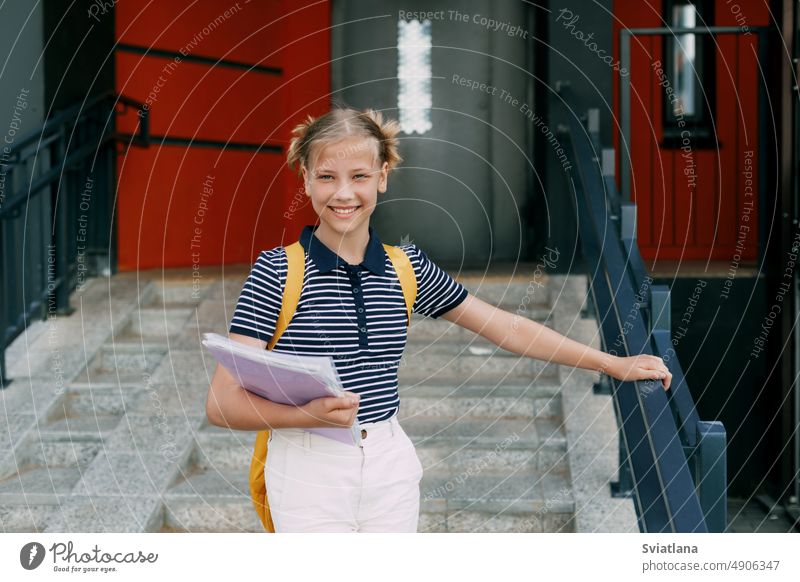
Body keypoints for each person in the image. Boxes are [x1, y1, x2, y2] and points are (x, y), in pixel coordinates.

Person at [204, 106, 672, 533]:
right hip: (307, 468)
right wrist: (304, 413)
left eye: (359, 175)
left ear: (383, 176)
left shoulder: (406, 266)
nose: (343, 193)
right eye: (326, 176)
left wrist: (611, 364)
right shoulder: (276, 272)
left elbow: (506, 327)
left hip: (389, 462)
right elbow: (222, 404)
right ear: (305, 179)